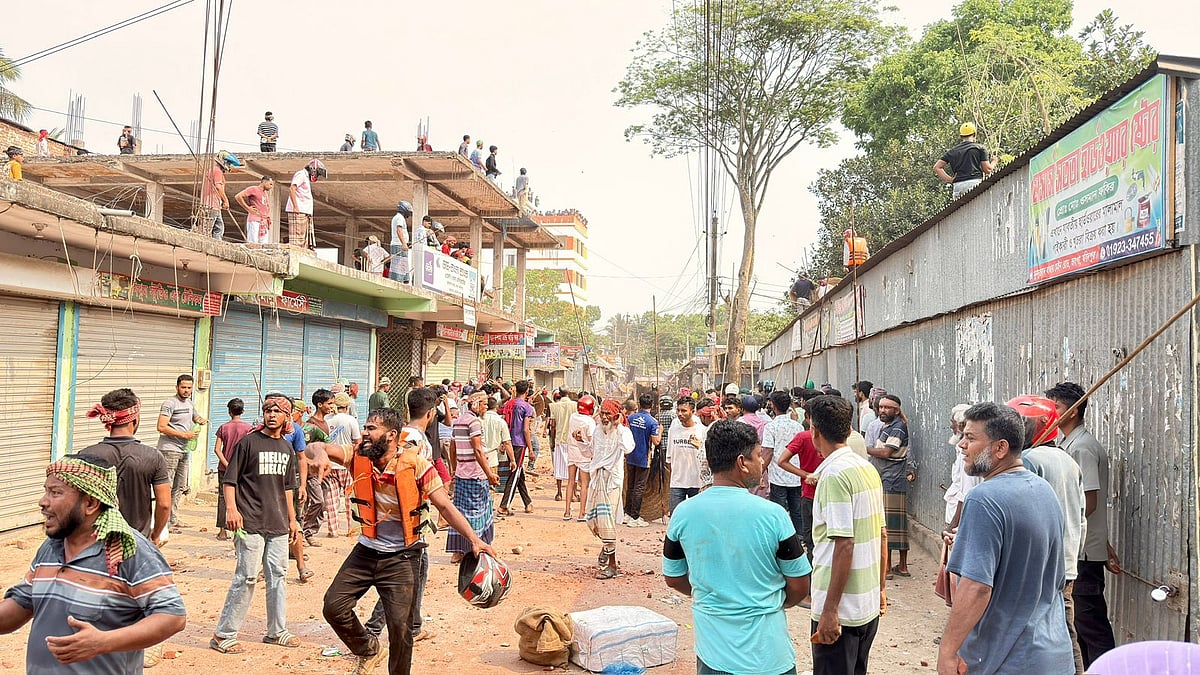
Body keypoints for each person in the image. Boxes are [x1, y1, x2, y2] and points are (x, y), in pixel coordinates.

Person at [322, 399, 497, 675]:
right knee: (333, 606)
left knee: (400, 630)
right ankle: (368, 648)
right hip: (366, 552)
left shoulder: (416, 465)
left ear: (391, 435)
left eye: (371, 428)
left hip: (402, 558)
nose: (364, 433)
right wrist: (315, 451)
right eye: (365, 427)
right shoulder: (358, 455)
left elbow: (444, 506)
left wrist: (474, 540)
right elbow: (320, 449)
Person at [0, 455, 187, 672]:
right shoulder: (50, 548)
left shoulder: (128, 551)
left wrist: (103, 642)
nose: (43, 501)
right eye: (46, 490)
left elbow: (173, 616)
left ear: (90, 503)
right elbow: (21, 605)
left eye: (56, 493)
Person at [664, 419, 811, 674]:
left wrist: (713, 595)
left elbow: (674, 578)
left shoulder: (683, 514)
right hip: (769, 658)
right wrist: (766, 601)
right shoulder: (774, 515)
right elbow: (799, 585)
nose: (762, 462)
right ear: (742, 463)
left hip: (713, 658)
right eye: (757, 456)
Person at [937, 402, 1073, 675]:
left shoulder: (984, 499)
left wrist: (947, 651)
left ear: (1000, 448)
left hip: (1006, 659)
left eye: (971, 438)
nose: (962, 445)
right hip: (1052, 654)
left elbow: (976, 588)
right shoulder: (1043, 489)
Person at [211, 393, 301, 654]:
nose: (271, 415)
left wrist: (293, 520)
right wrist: (231, 509)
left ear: (286, 417)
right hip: (249, 521)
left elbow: (287, 489)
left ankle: (277, 631)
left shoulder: (286, 448)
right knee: (247, 577)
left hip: (278, 524)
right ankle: (223, 634)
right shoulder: (248, 443)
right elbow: (230, 481)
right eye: (267, 410)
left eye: (277, 411)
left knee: (278, 576)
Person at [807, 394, 885, 675]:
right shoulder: (867, 469)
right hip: (865, 606)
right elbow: (881, 534)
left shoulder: (834, 476)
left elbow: (844, 545)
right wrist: (881, 589)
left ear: (814, 431)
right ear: (850, 429)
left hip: (842, 612)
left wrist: (829, 611)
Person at [1009, 394, 1086, 674]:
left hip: (1041, 565)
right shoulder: (1067, 461)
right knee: (1062, 625)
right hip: (1065, 560)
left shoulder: (1028, 461)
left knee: (1056, 631)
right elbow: (1080, 514)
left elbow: (1025, 516)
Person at [1046, 381, 1120, 667]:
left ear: (1073, 412)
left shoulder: (1083, 448)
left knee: (1090, 623)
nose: (1052, 413)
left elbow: (1088, 503)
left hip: (1082, 551)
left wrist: (1059, 530)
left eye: (1057, 408)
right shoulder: (1067, 444)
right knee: (1081, 621)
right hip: (1082, 545)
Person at [80, 389, 170, 546]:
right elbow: (164, 504)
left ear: (109, 422)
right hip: (138, 543)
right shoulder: (153, 456)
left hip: (96, 544)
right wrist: (155, 535)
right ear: (135, 420)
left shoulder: (86, 455)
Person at [447, 393, 500, 562]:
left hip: (462, 474)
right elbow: (478, 450)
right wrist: (489, 474)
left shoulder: (459, 421)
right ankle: (475, 548)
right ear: (475, 405)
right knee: (477, 512)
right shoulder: (474, 422)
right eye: (483, 404)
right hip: (475, 475)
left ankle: (458, 552)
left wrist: (454, 469)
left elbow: (453, 449)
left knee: (460, 511)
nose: (485, 407)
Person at [865, 393, 914, 578]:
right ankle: (900, 566)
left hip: (891, 480)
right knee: (895, 524)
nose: (882, 410)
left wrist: (863, 447)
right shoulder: (892, 426)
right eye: (881, 407)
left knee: (888, 525)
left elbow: (885, 453)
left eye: (887, 408)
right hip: (889, 479)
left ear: (896, 410)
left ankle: (888, 568)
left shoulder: (897, 428)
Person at [587, 399, 635, 579]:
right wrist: (581, 440)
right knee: (592, 520)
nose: (605, 417)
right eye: (602, 413)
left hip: (612, 481)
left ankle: (612, 566)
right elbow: (591, 453)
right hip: (597, 478)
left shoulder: (624, 432)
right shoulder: (597, 431)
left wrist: (620, 427)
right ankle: (606, 547)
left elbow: (628, 448)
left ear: (616, 415)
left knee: (607, 521)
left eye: (608, 414)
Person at [156, 374, 206, 531]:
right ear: (177, 387)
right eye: (183, 387)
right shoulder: (170, 403)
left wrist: (200, 420)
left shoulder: (189, 403)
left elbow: (195, 416)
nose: (186, 390)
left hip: (184, 450)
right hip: (169, 450)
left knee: (179, 486)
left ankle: (173, 519)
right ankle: (162, 524)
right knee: (166, 486)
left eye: (189, 388)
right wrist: (184, 435)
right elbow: (161, 426)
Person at [762, 390, 807, 560]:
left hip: (779, 475)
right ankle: (799, 540)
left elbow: (768, 453)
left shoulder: (771, 427)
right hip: (796, 474)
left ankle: (781, 540)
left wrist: (760, 473)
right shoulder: (797, 426)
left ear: (772, 405)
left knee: (779, 510)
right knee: (797, 510)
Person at [214, 398, 253, 541]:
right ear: (242, 411)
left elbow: (217, 450)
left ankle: (222, 531)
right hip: (242, 468)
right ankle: (240, 527)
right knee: (241, 497)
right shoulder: (248, 429)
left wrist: (227, 464)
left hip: (224, 468)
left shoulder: (223, 427)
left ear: (229, 411)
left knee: (223, 498)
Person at [624, 393, 661, 528]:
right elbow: (656, 442)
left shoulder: (631, 418)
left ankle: (626, 513)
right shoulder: (652, 422)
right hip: (643, 458)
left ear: (639, 405)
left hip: (630, 455)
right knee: (639, 487)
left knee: (631, 485)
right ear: (652, 406)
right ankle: (635, 516)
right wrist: (660, 431)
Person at [498, 380, 535, 516]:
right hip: (519, 443)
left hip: (508, 441)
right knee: (515, 474)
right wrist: (531, 449)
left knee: (519, 473)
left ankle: (528, 502)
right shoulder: (526, 407)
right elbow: (526, 429)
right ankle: (504, 505)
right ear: (526, 392)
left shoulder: (509, 404)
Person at [667, 397, 709, 514]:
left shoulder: (702, 431)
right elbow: (669, 458)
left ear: (693, 411)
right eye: (678, 410)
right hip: (677, 483)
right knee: (675, 516)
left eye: (684, 411)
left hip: (697, 482)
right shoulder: (673, 430)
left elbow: (705, 457)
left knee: (696, 517)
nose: (680, 414)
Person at [934, 122, 996, 200]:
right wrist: (994, 161)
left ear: (961, 136)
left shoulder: (953, 151)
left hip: (958, 186)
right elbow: (988, 170)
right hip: (974, 183)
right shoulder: (980, 148)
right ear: (974, 134)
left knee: (960, 211)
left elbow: (937, 167)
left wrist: (951, 180)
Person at [942, 404, 979, 529]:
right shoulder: (962, 449)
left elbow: (965, 494)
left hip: (958, 521)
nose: (951, 426)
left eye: (953, 422)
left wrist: (953, 526)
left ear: (961, 425)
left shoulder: (967, 454)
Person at [564, 395, 597, 521]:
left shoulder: (573, 416)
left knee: (570, 482)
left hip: (572, 451)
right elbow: (591, 439)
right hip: (584, 453)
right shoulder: (590, 422)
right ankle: (582, 513)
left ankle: (567, 511)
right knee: (584, 484)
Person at [285, 159, 327, 249]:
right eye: (317, 174)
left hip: (304, 211)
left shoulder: (305, 177)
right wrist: (296, 207)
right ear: (313, 170)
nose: (317, 176)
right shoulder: (301, 174)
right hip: (298, 210)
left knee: (303, 240)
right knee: (297, 239)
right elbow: (292, 189)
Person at [200, 150, 240, 240]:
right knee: (208, 230)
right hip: (211, 205)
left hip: (214, 205)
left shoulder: (212, 170)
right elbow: (218, 187)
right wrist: (226, 200)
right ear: (223, 161)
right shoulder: (217, 171)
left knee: (219, 228)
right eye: (229, 163)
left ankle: (215, 244)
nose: (229, 166)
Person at [548, 389, 577, 501]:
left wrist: (553, 441)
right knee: (573, 468)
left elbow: (553, 426)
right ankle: (574, 494)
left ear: (559, 394)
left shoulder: (554, 406)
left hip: (559, 440)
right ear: (568, 393)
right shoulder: (575, 405)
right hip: (572, 440)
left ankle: (559, 493)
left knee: (559, 467)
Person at [234, 176, 274, 245]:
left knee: (264, 245)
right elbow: (238, 196)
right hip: (255, 219)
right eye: (270, 184)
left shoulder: (265, 194)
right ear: (264, 182)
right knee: (253, 243)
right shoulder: (253, 189)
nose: (271, 187)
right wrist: (247, 208)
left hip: (264, 221)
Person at [389, 201, 412, 282]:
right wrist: (404, 243)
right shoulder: (399, 218)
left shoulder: (399, 217)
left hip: (400, 245)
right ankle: (397, 280)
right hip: (398, 244)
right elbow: (399, 230)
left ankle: (404, 279)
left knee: (403, 262)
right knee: (398, 263)